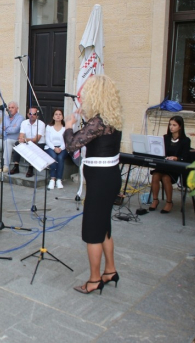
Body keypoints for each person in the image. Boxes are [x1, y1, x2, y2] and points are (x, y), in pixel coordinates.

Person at [64, 74, 122, 295]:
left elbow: (71, 144)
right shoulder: (111, 120)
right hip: (110, 178)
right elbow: (92, 139)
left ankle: (94, 279)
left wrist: (69, 126)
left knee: (92, 231)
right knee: (104, 227)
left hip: (99, 182)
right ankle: (110, 270)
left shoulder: (97, 122)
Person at [149, 115, 190, 214]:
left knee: (166, 178)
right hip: (164, 165)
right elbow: (161, 152)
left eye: (174, 125)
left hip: (175, 168)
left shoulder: (185, 140)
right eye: (170, 124)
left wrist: (176, 158)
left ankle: (169, 202)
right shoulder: (165, 138)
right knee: (155, 176)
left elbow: (185, 157)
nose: (171, 127)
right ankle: (155, 200)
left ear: (180, 127)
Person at [9, 107, 45, 177]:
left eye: (34, 114)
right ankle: (16, 166)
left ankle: (30, 168)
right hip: (27, 142)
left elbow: (36, 139)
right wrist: (21, 140)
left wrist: (25, 140)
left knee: (33, 146)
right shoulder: (24, 123)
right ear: (27, 115)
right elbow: (21, 136)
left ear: (37, 115)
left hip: (39, 143)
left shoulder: (41, 124)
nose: (32, 115)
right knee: (17, 144)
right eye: (30, 113)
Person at [44, 108, 67, 189]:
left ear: (62, 117)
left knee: (60, 158)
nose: (58, 116)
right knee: (54, 157)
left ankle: (59, 179)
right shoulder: (49, 127)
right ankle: (52, 179)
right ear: (53, 117)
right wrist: (54, 148)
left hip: (62, 148)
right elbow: (47, 140)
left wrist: (60, 148)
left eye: (60, 114)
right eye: (56, 114)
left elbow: (66, 141)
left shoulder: (65, 128)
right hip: (50, 147)